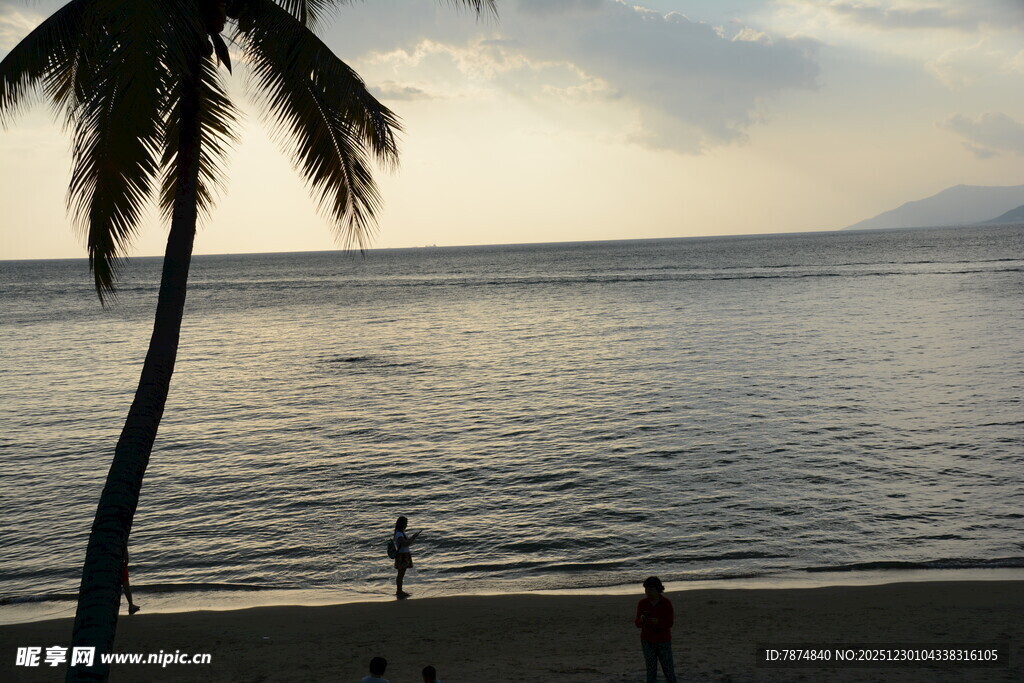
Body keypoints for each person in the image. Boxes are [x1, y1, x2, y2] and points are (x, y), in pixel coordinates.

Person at [634, 576, 677, 683]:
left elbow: (670, 623)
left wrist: (658, 622)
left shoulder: (666, 603)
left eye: (650, 589)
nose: (648, 592)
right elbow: (637, 623)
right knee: (651, 670)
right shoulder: (642, 603)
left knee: (668, 669)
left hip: (663, 640)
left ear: (658, 589)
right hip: (647, 640)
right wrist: (642, 620)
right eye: (646, 589)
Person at [393, 516, 421, 599]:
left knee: (401, 574)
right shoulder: (399, 534)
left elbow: (406, 542)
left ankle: (400, 591)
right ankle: (399, 591)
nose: (406, 525)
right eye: (406, 524)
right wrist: (413, 537)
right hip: (402, 555)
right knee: (400, 574)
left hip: (404, 554)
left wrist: (412, 538)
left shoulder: (400, 532)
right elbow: (405, 543)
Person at [122, 544, 141, 615]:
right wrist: (126, 564)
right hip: (121, 566)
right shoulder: (122, 540)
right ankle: (131, 605)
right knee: (126, 586)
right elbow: (126, 557)